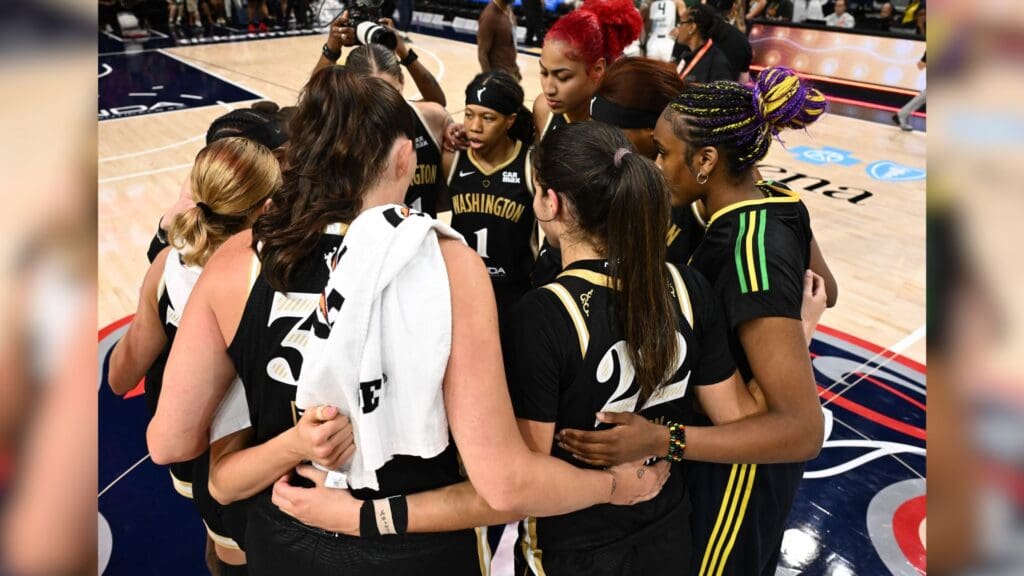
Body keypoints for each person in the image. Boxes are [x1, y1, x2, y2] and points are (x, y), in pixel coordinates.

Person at [148, 66, 668, 576]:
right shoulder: (444, 261)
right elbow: (504, 483)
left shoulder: (238, 258)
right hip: (412, 543)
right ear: (403, 156)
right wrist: (615, 487)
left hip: (284, 534)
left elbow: (170, 444)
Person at [651, 67, 834, 576]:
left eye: (664, 153)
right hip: (735, 450)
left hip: (739, 474)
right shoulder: (777, 197)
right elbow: (825, 289)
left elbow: (802, 430)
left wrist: (666, 440)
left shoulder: (747, 253)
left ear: (706, 159)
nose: (657, 165)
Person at [111, 137, 282, 575]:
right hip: (253, 454)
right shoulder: (274, 277)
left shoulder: (168, 265)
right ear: (266, 208)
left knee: (222, 545)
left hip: (196, 449)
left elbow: (119, 375)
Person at [530, 0, 642, 287]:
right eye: (544, 72)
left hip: (603, 272)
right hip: (551, 261)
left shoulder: (614, 133)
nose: (549, 87)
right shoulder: (543, 110)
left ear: (597, 69)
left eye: (562, 76)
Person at [316, 15, 452, 216]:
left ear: (402, 81)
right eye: (373, 96)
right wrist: (331, 50)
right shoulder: (341, 127)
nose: (384, 104)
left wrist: (403, 51)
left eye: (390, 93)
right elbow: (312, 105)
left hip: (423, 242)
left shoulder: (431, 118)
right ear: (352, 90)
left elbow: (437, 100)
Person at [589, 56, 704, 267]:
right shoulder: (607, 168)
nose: (598, 139)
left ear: (654, 129)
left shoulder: (693, 177)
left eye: (610, 130)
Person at [443, 71, 537, 326]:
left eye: (488, 118)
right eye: (469, 114)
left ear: (510, 121)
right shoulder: (452, 158)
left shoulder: (530, 164)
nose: (474, 127)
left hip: (515, 295)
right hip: (462, 290)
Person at [672, 3, 736, 84]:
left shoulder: (717, 64)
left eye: (680, 23)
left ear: (692, 27)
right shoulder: (686, 55)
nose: (678, 28)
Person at [477, 0, 521, 80]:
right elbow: (482, 54)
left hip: (511, 72)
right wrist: (490, 81)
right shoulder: (489, 17)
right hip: (499, 77)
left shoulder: (508, 8)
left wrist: (515, 68)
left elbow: (509, 43)